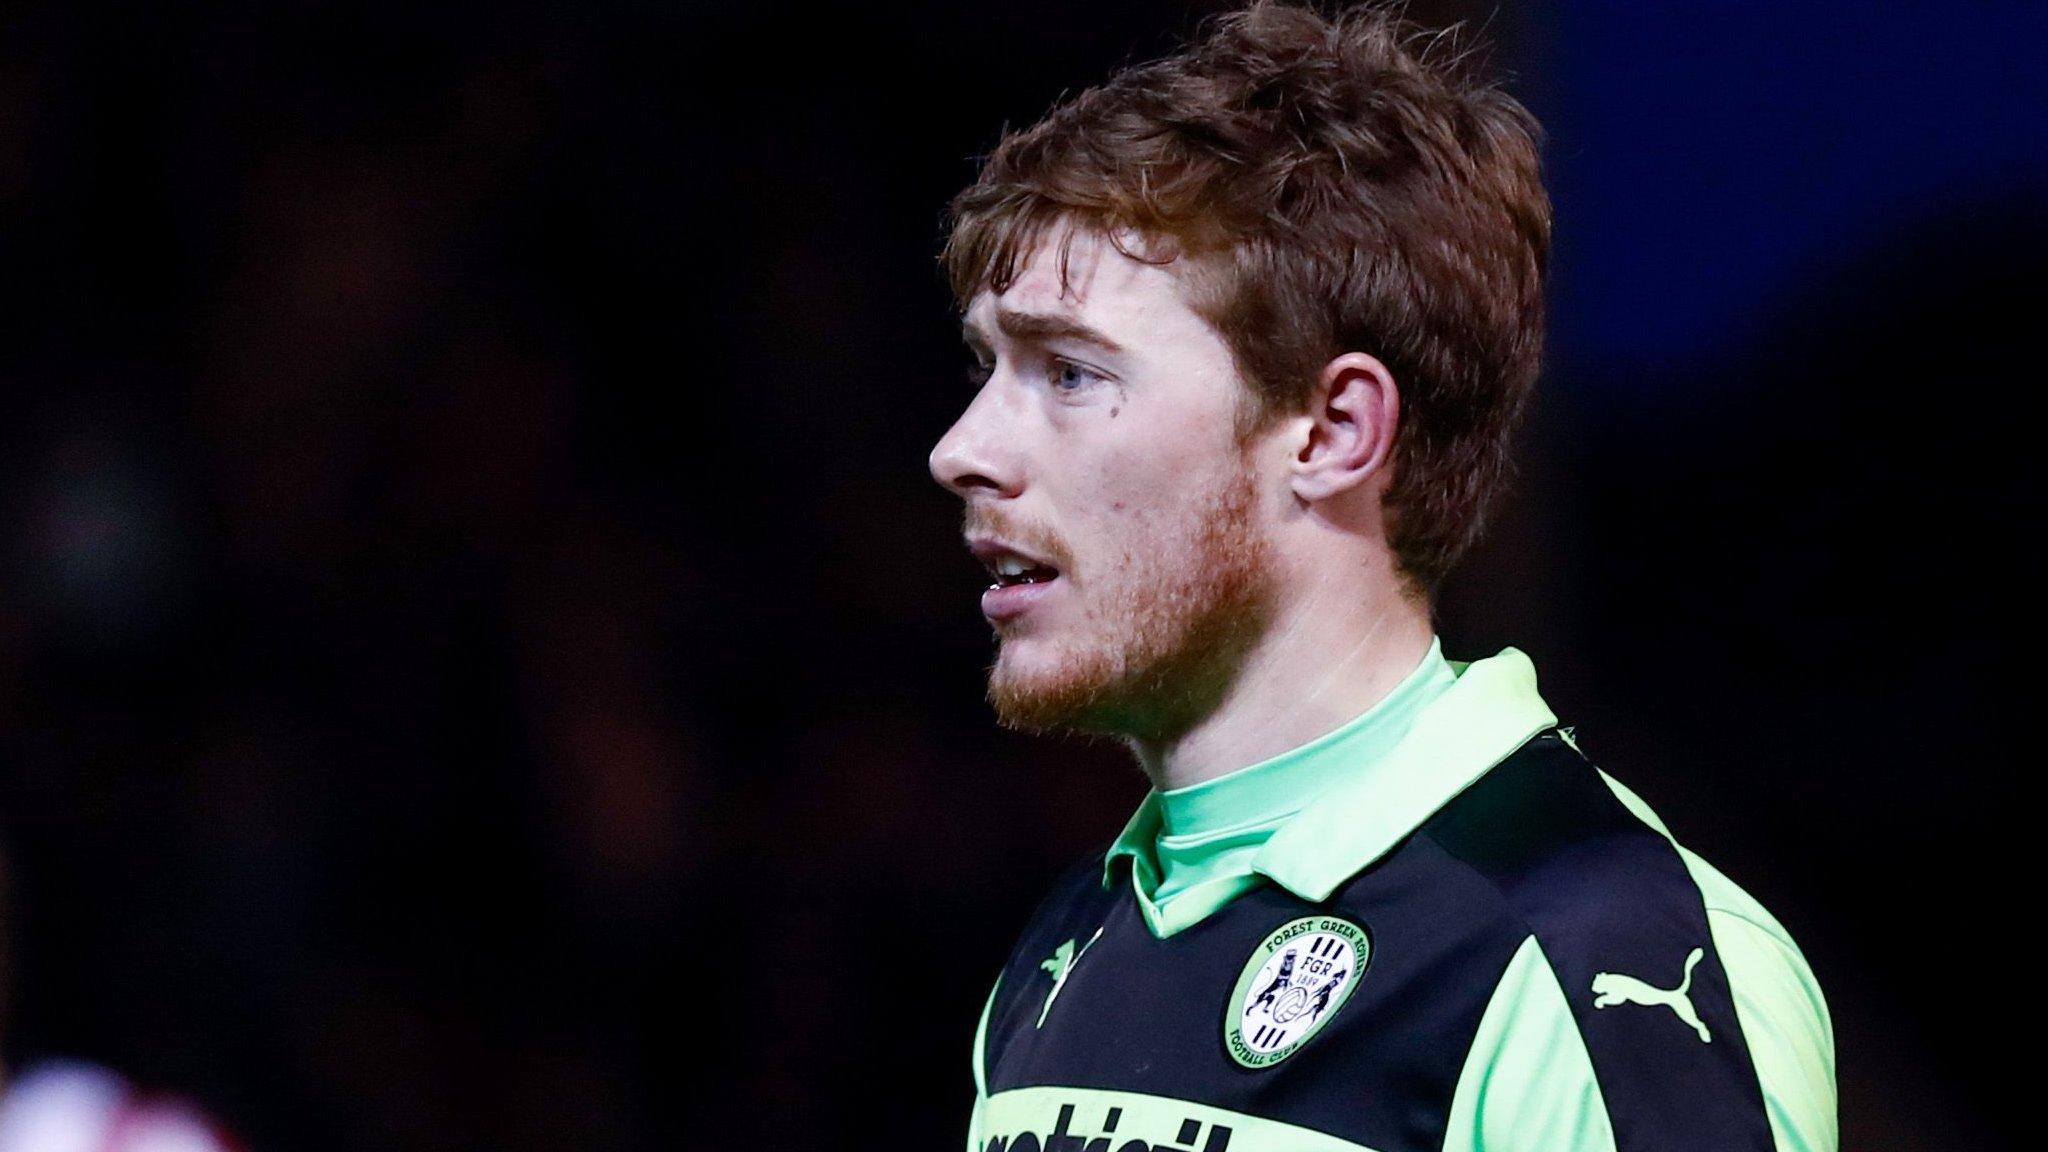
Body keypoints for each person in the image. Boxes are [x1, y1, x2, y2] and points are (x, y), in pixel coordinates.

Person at [925, 4, 1836, 1151]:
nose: (961, 448)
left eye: (1066, 371)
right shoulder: (1070, 946)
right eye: (988, 366)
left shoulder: (1596, 954)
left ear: (1330, 431)